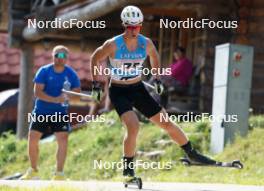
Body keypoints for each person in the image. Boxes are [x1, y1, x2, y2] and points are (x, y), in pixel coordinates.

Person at [90, 5, 216, 181]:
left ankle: (191, 153)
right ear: (124, 25)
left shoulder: (146, 43)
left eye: (137, 26)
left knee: (166, 122)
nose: (134, 30)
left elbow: (155, 57)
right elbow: (95, 58)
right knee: (133, 126)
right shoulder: (113, 44)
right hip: (119, 91)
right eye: (130, 27)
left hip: (137, 88)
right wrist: (96, 83)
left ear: (140, 25)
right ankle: (128, 170)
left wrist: (156, 78)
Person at [20, 45, 81, 180]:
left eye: (63, 56)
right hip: (41, 111)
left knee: (63, 140)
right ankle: (33, 170)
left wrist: (69, 96)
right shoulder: (44, 71)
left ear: (67, 58)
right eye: (57, 55)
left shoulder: (71, 74)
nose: (60, 58)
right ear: (53, 56)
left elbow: (77, 93)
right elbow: (37, 92)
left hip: (60, 113)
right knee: (33, 139)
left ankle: (59, 173)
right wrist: (55, 99)